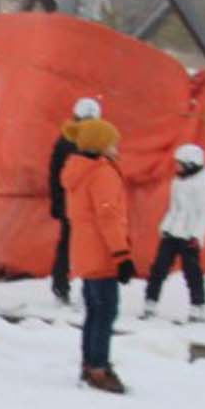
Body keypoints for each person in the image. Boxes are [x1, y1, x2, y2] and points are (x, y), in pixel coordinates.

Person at [63, 118, 135, 394]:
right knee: (105, 312)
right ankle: (98, 368)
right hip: (102, 251)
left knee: (94, 310)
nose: (116, 148)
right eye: (112, 143)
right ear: (101, 145)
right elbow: (108, 216)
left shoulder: (76, 170)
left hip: (84, 249)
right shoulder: (101, 172)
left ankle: (89, 362)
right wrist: (121, 254)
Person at [142, 143, 205, 322]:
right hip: (172, 232)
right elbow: (174, 208)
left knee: (192, 271)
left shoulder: (203, 186)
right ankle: (150, 302)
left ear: (191, 165)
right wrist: (166, 227)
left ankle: (198, 306)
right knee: (158, 267)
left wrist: (197, 235)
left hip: (189, 236)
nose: (177, 167)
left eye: (180, 163)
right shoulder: (177, 182)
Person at [47, 97, 101, 308]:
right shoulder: (90, 142)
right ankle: (74, 289)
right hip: (81, 204)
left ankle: (63, 287)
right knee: (85, 248)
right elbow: (57, 175)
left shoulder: (66, 140)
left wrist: (57, 202)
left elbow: (55, 175)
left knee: (70, 246)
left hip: (75, 203)